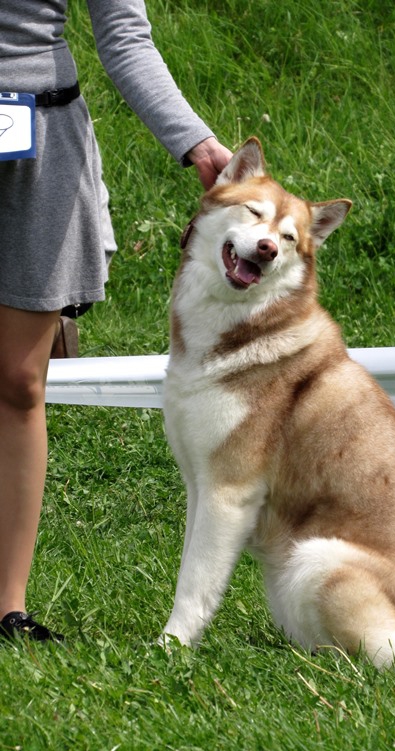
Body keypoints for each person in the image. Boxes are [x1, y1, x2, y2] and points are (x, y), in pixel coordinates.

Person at [0, 0, 232, 641]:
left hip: (39, 146)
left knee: (19, 383)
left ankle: (5, 607)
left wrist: (194, 140)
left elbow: (124, 36)